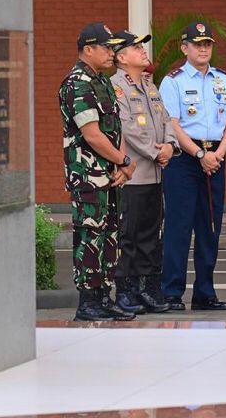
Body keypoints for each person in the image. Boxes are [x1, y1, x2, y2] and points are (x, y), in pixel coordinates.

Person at [158, 22, 226, 311]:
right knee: (179, 227)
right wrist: (198, 154)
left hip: (215, 158)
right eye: (197, 44)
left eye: (207, 44)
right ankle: (171, 292)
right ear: (185, 48)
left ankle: (205, 292)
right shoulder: (173, 81)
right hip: (184, 159)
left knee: (210, 228)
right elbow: (172, 124)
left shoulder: (223, 79)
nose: (203, 49)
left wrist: (218, 153)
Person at [59, 22, 136, 321]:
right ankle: (88, 300)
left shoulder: (102, 82)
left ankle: (104, 296)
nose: (112, 52)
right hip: (88, 176)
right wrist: (125, 162)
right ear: (88, 49)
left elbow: (116, 127)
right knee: (91, 237)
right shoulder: (77, 83)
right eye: (106, 47)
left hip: (110, 173)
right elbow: (92, 134)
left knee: (109, 237)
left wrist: (121, 162)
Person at [109, 29, 177, 314]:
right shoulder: (116, 86)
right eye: (137, 48)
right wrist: (155, 150)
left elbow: (166, 118)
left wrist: (171, 146)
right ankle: (125, 289)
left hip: (156, 172)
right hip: (134, 172)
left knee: (151, 234)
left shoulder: (150, 84)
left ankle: (147, 288)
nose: (143, 52)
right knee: (130, 235)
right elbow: (127, 127)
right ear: (122, 57)